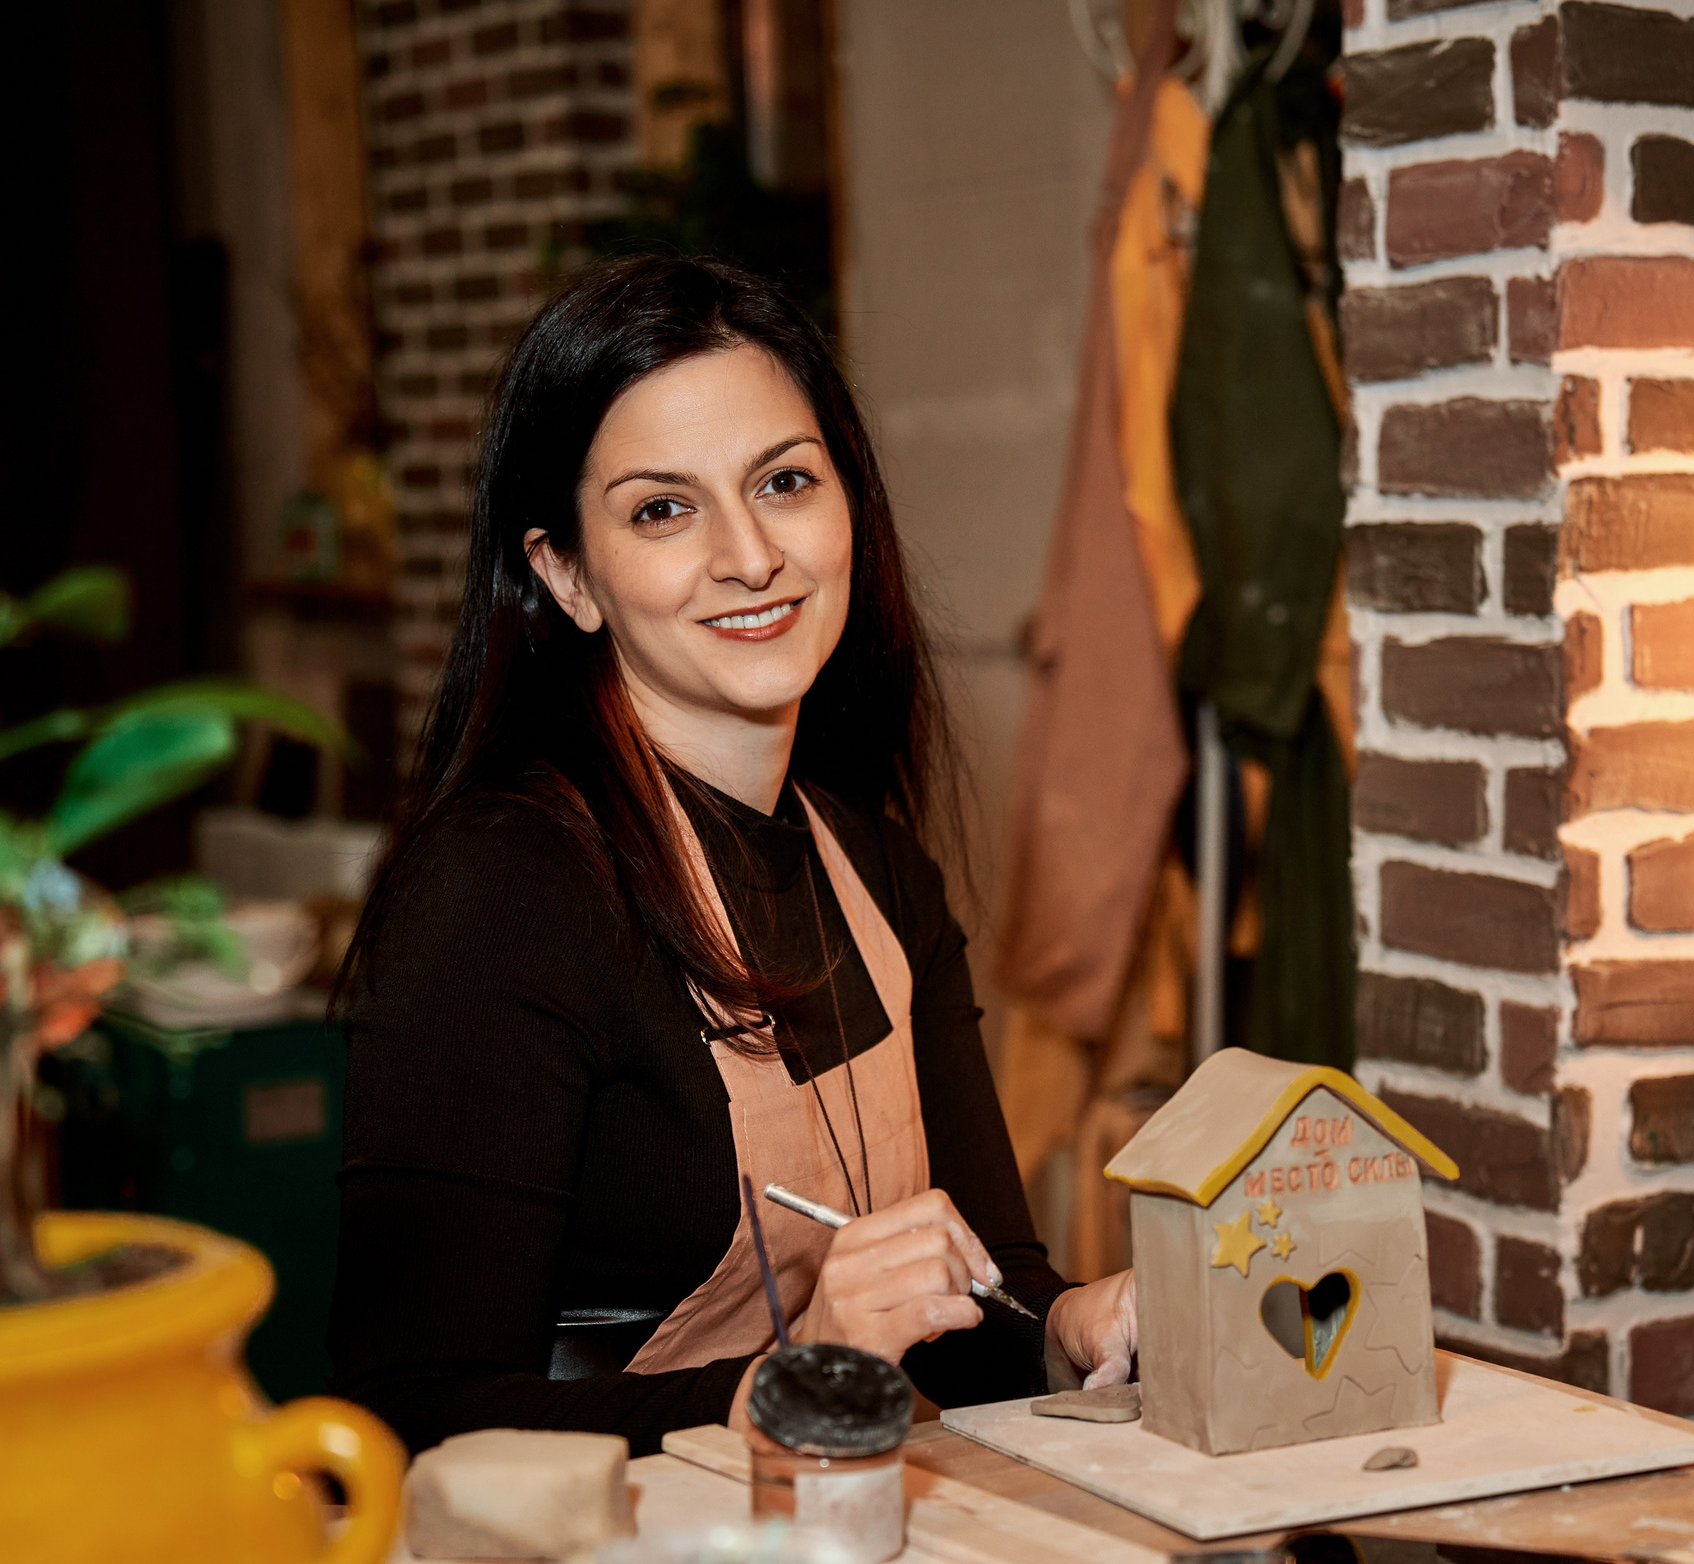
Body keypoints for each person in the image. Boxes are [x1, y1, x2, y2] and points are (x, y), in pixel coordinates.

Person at [328, 254, 1138, 1455]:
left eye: (784, 481)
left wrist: (1077, 1322)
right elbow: (407, 1418)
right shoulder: (500, 891)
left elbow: (975, 1302)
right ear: (566, 574)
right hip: (592, 1563)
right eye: (663, 508)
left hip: (812, 1540)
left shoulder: (880, 874)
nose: (751, 554)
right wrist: (788, 1384)